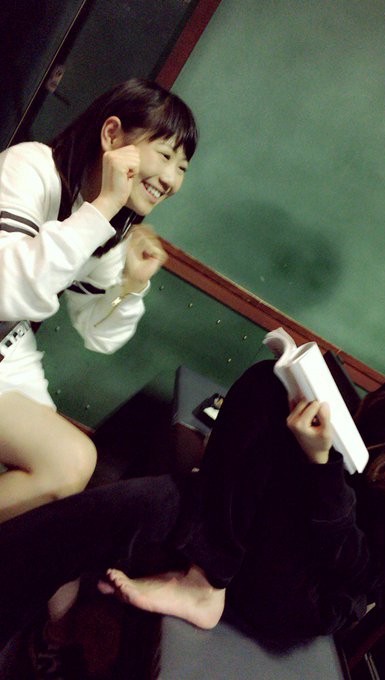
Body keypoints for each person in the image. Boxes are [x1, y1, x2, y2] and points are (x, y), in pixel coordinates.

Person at [0, 267, 385, 654]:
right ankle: (57, 625)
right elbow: (354, 459)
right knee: (274, 382)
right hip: (289, 531)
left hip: (303, 591)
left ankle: (203, 582)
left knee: (158, 500)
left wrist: (319, 463)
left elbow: (363, 569)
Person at [0, 78, 198, 524]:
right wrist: (103, 206)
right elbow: (6, 290)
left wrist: (131, 285)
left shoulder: (111, 224)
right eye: (165, 155)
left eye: (182, 167)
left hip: (10, 353)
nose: (171, 180)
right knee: (68, 462)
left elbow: (97, 334)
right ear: (112, 135)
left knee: (61, 483)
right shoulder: (30, 168)